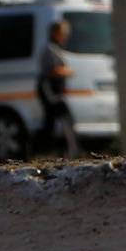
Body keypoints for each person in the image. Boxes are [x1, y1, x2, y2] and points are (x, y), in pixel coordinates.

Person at [36, 17, 80, 157]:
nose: (66, 37)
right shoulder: (50, 49)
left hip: (54, 90)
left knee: (51, 122)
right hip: (50, 90)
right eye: (64, 33)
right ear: (56, 33)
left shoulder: (55, 49)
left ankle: (46, 150)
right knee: (64, 117)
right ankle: (70, 151)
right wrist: (68, 71)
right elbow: (53, 70)